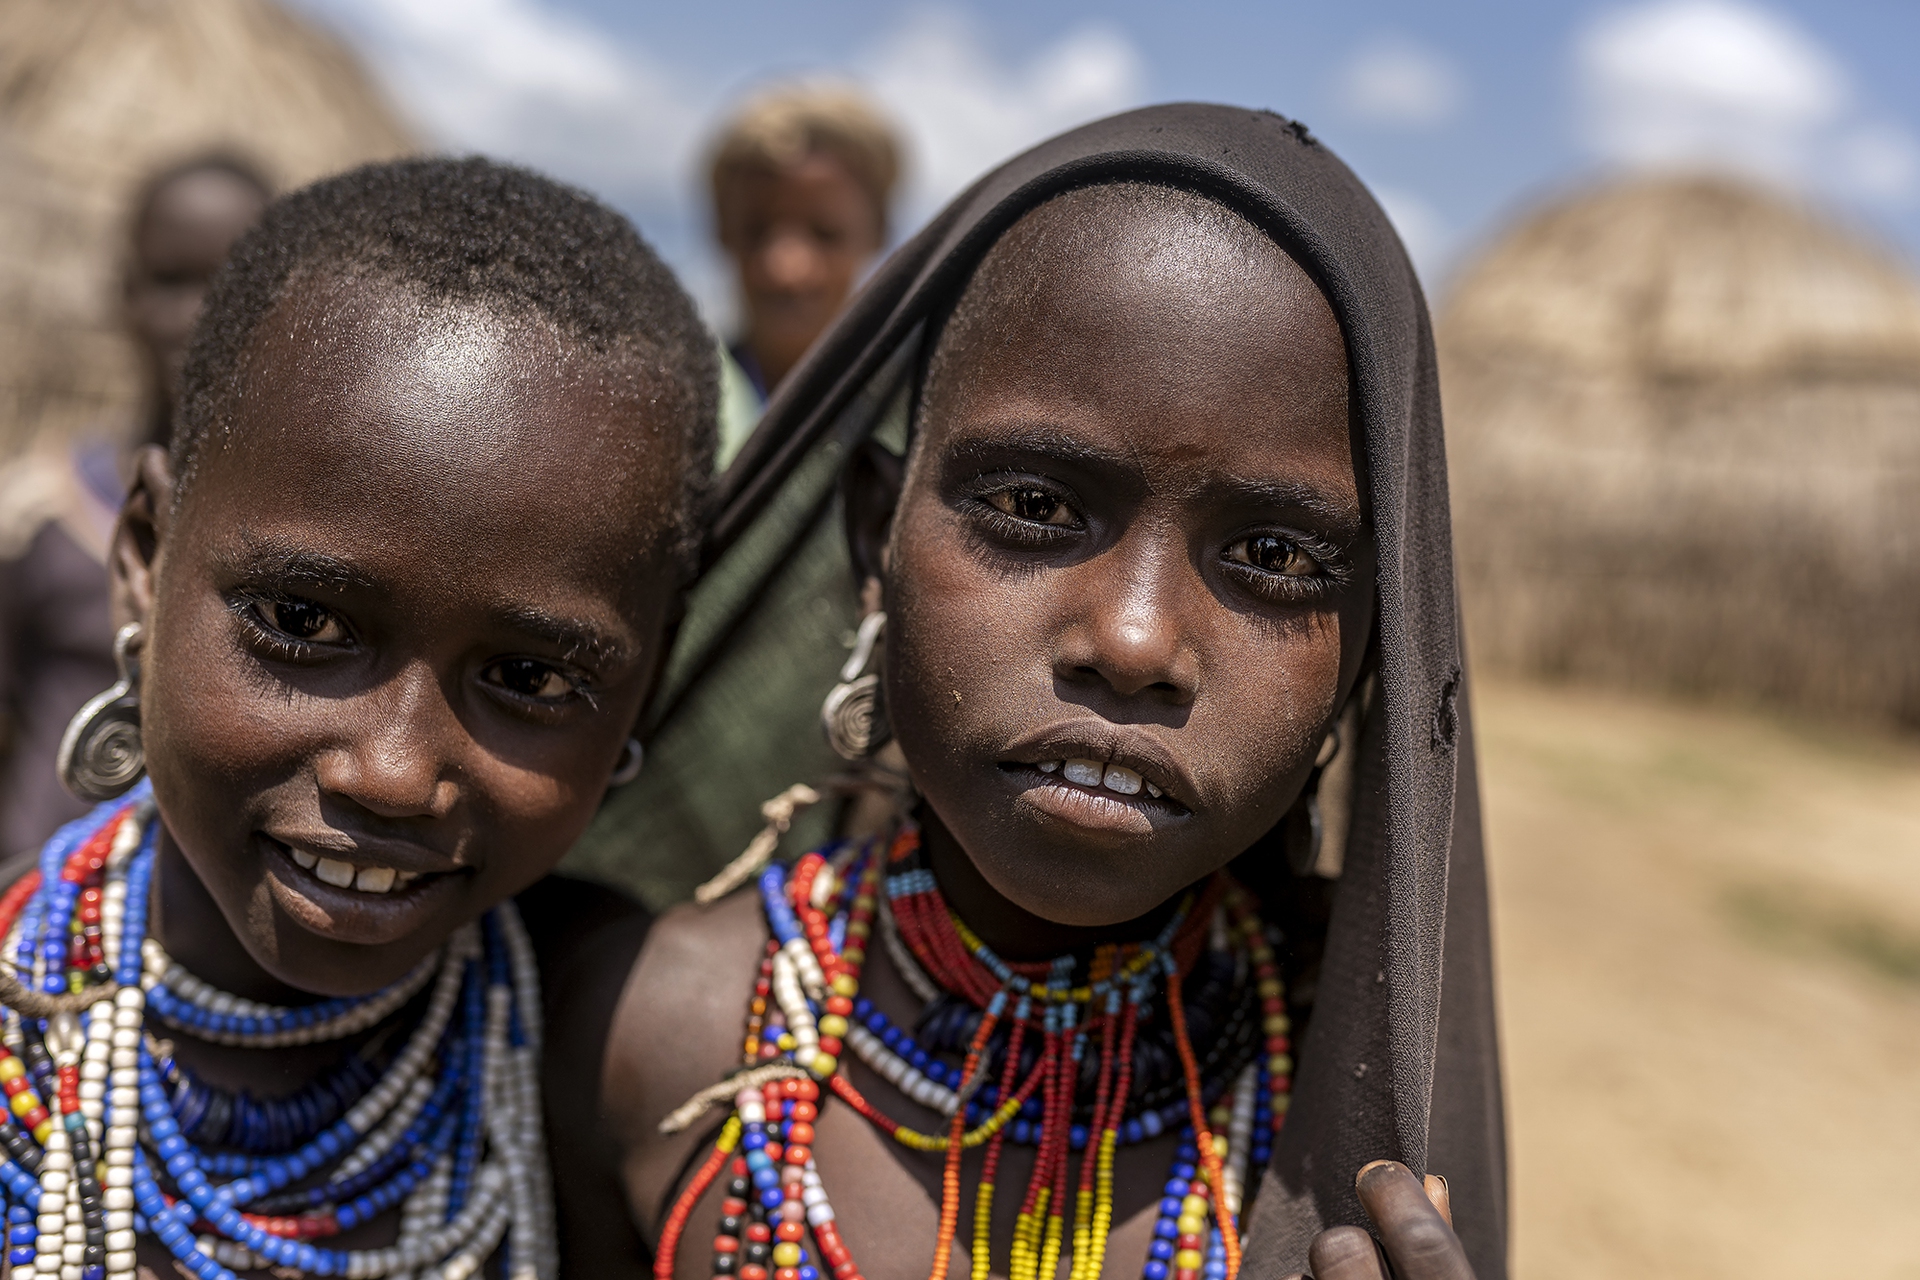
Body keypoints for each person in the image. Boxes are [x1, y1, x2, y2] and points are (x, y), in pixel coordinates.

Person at [604, 105, 1502, 1280]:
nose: (1132, 640)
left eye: (1276, 558)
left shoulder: (1369, 1129)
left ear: (1375, 642)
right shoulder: (639, 1037)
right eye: (1033, 506)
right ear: (874, 533)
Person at [0, 156, 714, 1279]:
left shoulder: (636, 1056)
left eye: (531, 681)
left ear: (647, 681)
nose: (390, 773)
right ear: (143, 556)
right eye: (300, 619)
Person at [0, 156, 270, 857]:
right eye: (171, 281)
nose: (198, 314)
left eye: (233, 283)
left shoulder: (313, 540)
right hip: (44, 912)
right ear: (125, 294)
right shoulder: (36, 516)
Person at [707, 85, 899, 440]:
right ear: (719, 228)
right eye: (757, 232)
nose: (787, 270)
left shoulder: (916, 416)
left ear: (879, 230)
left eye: (826, 234)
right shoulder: (674, 409)